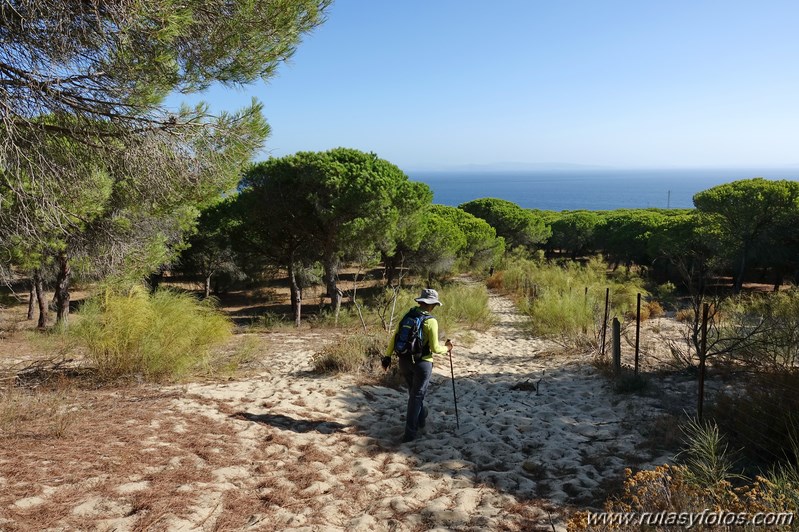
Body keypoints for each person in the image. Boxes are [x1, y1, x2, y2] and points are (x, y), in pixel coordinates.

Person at [385, 288, 453, 442]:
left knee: (414, 394)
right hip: (423, 364)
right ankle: (410, 434)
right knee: (416, 397)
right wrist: (447, 348)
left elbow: (394, 337)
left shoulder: (407, 315)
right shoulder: (431, 321)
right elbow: (435, 348)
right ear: (432, 305)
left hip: (404, 361)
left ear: (420, 301)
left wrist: (387, 356)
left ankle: (422, 419)